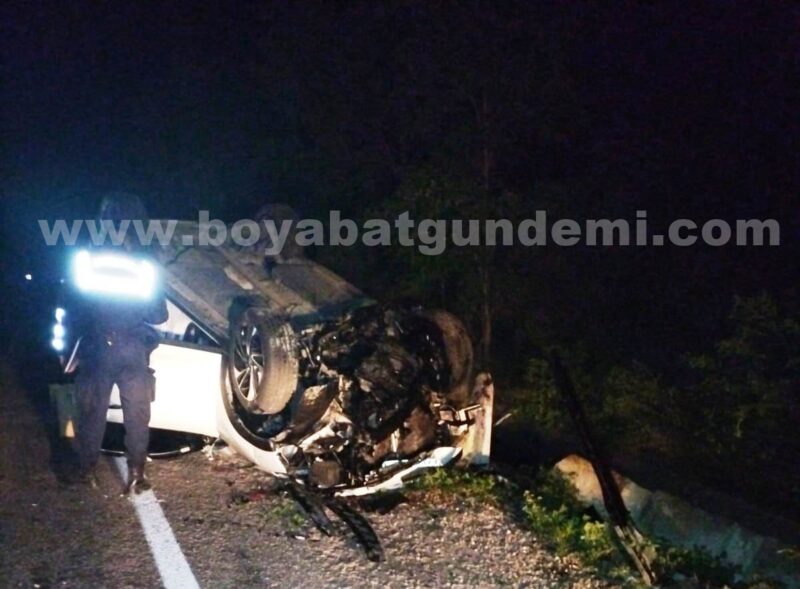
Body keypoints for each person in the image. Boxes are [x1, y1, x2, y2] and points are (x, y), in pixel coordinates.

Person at [71, 193, 168, 493]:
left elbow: (76, 305)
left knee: (92, 411)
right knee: (137, 415)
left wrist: (69, 349)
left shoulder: (87, 257)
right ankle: (137, 473)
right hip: (133, 348)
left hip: (98, 345)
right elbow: (159, 314)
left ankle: (86, 471)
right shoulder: (146, 261)